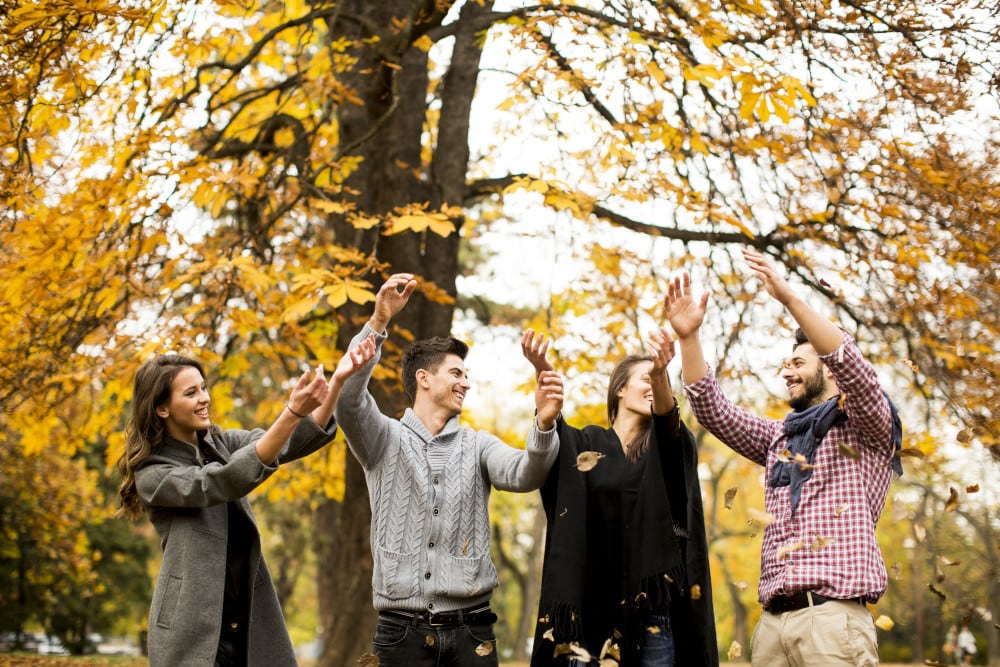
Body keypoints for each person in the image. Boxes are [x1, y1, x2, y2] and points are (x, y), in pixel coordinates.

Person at [665, 248, 903, 667]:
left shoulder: (868, 427)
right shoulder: (781, 438)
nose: (787, 371)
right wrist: (689, 338)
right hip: (773, 627)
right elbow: (712, 408)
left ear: (828, 370)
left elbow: (853, 367)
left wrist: (789, 299)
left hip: (832, 622)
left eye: (798, 362)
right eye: (785, 363)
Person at [333, 272, 565, 667]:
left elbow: (527, 473)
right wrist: (378, 322)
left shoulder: (478, 445)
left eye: (466, 376)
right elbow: (348, 398)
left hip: (472, 632)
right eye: (456, 373)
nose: (465, 384)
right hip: (400, 632)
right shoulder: (383, 439)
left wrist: (543, 424)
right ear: (424, 378)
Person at [115, 343, 375, 667]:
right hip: (190, 630)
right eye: (191, 393)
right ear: (162, 408)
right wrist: (291, 412)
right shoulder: (153, 474)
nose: (204, 398)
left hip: (247, 625)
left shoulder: (221, 443)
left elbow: (285, 443)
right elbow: (220, 482)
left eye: (204, 388)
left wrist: (337, 382)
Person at [522, 328, 719, 667]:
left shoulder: (668, 447)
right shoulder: (584, 444)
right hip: (588, 614)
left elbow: (668, 422)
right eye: (647, 378)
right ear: (620, 390)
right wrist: (546, 401)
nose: (656, 384)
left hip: (653, 618)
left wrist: (660, 377)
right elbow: (549, 451)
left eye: (660, 379)